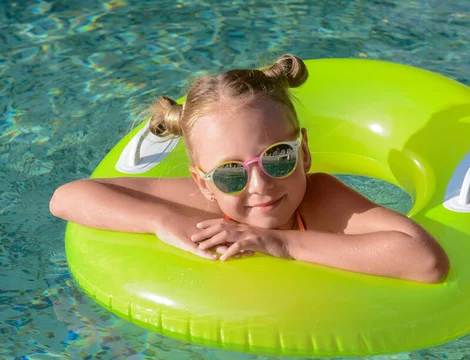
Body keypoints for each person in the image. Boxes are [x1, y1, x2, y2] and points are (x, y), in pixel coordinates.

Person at [49, 54, 449, 283]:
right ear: (203, 182)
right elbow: (67, 197)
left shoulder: (322, 200)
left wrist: (280, 244)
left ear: (304, 152)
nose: (259, 184)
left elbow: (426, 262)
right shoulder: (207, 207)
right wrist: (161, 221)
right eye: (229, 173)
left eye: (278, 157)